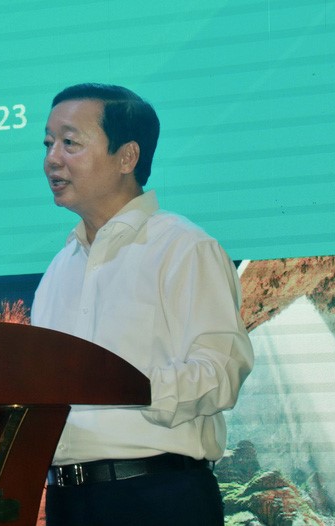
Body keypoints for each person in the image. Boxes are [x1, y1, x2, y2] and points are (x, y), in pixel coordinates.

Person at [31, 83, 254, 525]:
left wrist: (121, 384)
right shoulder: (59, 269)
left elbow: (220, 375)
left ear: (127, 157)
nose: (52, 159)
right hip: (67, 503)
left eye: (70, 143)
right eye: (48, 143)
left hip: (158, 497)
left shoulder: (183, 248)